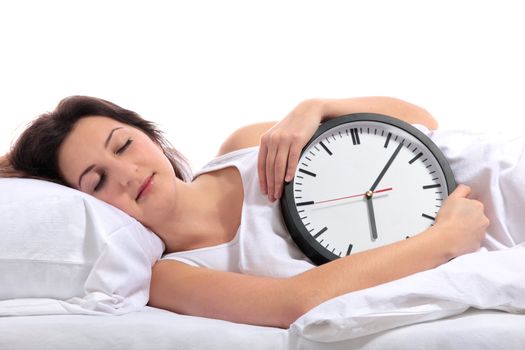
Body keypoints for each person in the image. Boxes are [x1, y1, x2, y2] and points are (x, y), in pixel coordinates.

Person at [0, 96, 489, 328]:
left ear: (149, 135)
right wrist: (441, 241)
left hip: (486, 175)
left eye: (124, 145)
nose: (126, 173)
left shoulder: (244, 145)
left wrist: (314, 108)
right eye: (96, 180)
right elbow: (295, 303)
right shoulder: (172, 276)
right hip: (461, 234)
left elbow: (421, 121)